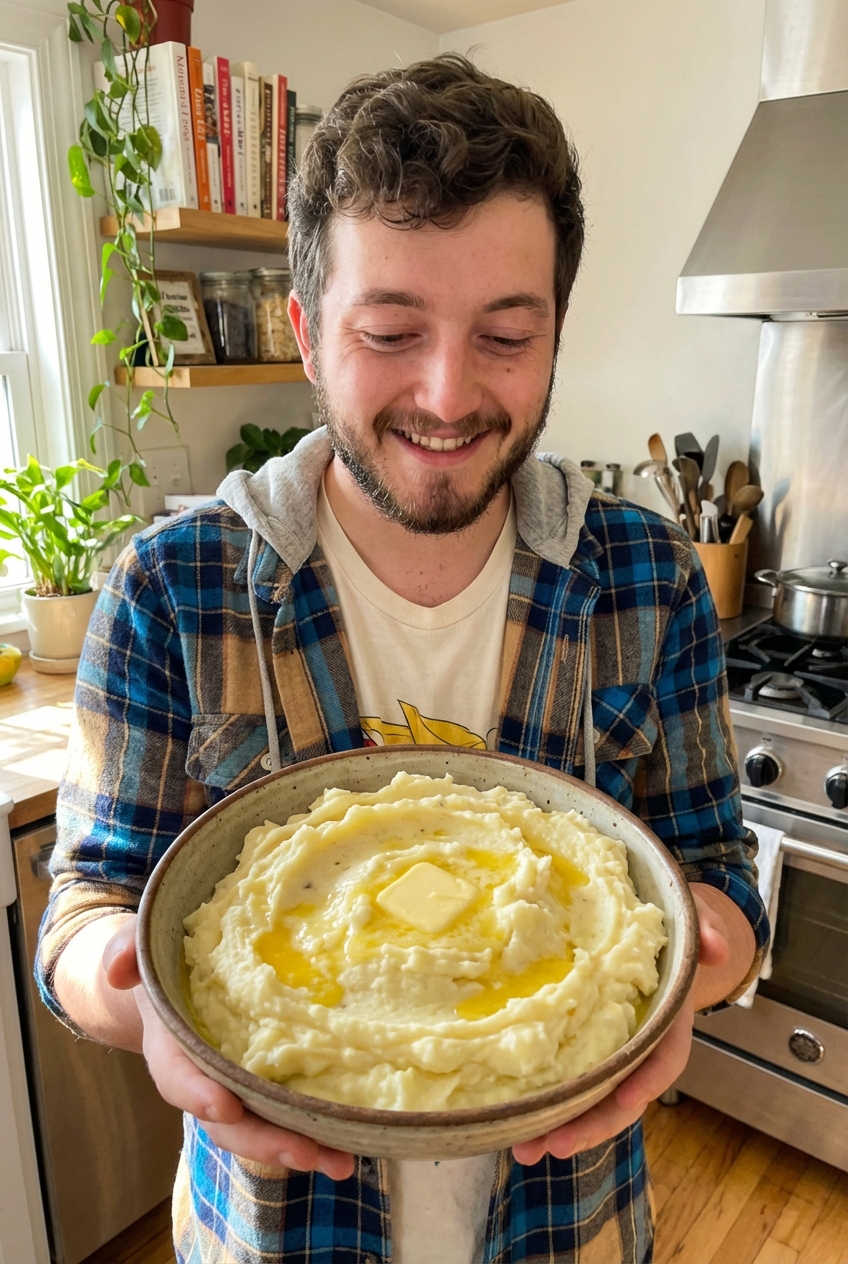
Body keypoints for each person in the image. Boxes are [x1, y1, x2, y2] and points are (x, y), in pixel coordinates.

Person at [38, 54, 766, 1264]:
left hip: (571, 1229)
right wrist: (139, 992)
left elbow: (715, 880)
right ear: (307, 333)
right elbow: (86, 911)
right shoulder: (173, 588)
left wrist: (691, 976)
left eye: (505, 334)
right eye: (390, 329)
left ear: (554, 337)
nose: (447, 391)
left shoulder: (649, 579)